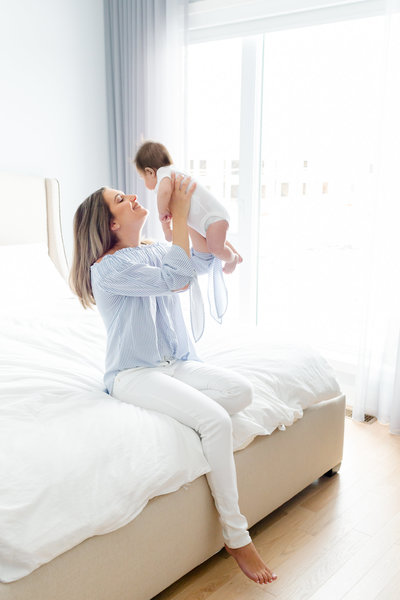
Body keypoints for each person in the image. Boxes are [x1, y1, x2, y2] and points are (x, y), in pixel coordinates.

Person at [69, 174, 277, 585]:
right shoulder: (107, 269)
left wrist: (178, 226)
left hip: (174, 364)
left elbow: (198, 262)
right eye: (120, 199)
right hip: (133, 373)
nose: (132, 197)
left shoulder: (151, 250)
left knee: (242, 391)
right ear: (110, 224)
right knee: (215, 420)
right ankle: (237, 535)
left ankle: (182, 408)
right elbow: (177, 279)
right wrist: (179, 220)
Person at [134, 140, 242, 274]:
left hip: (214, 217)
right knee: (214, 242)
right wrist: (167, 230)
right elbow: (171, 220)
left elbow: (164, 193)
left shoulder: (164, 172)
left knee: (215, 247)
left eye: (142, 177)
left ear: (150, 172)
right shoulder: (171, 178)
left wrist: (162, 213)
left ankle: (232, 258)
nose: (145, 183)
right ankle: (230, 252)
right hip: (206, 220)